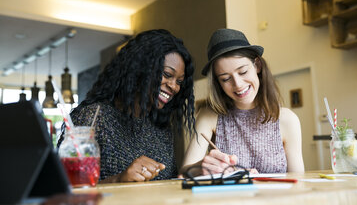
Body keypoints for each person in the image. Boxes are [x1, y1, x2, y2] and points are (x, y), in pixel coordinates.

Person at [57, 29, 196, 182]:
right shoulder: (94, 117)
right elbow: (65, 186)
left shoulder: (161, 127)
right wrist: (119, 179)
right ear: (140, 68)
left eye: (179, 82)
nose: (174, 87)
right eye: (167, 75)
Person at [180, 28, 304, 176]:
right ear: (218, 83)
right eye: (225, 78)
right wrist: (201, 168)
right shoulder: (209, 116)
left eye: (243, 72)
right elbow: (184, 171)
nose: (238, 84)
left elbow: (298, 181)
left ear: (257, 65)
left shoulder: (287, 120)